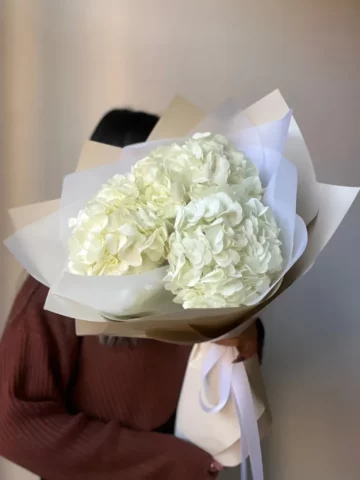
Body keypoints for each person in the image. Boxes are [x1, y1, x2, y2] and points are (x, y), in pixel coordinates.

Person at [0, 109, 264, 480]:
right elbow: (14, 424)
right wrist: (172, 461)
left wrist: (246, 338)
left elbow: (213, 386)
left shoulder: (196, 269)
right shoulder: (52, 283)